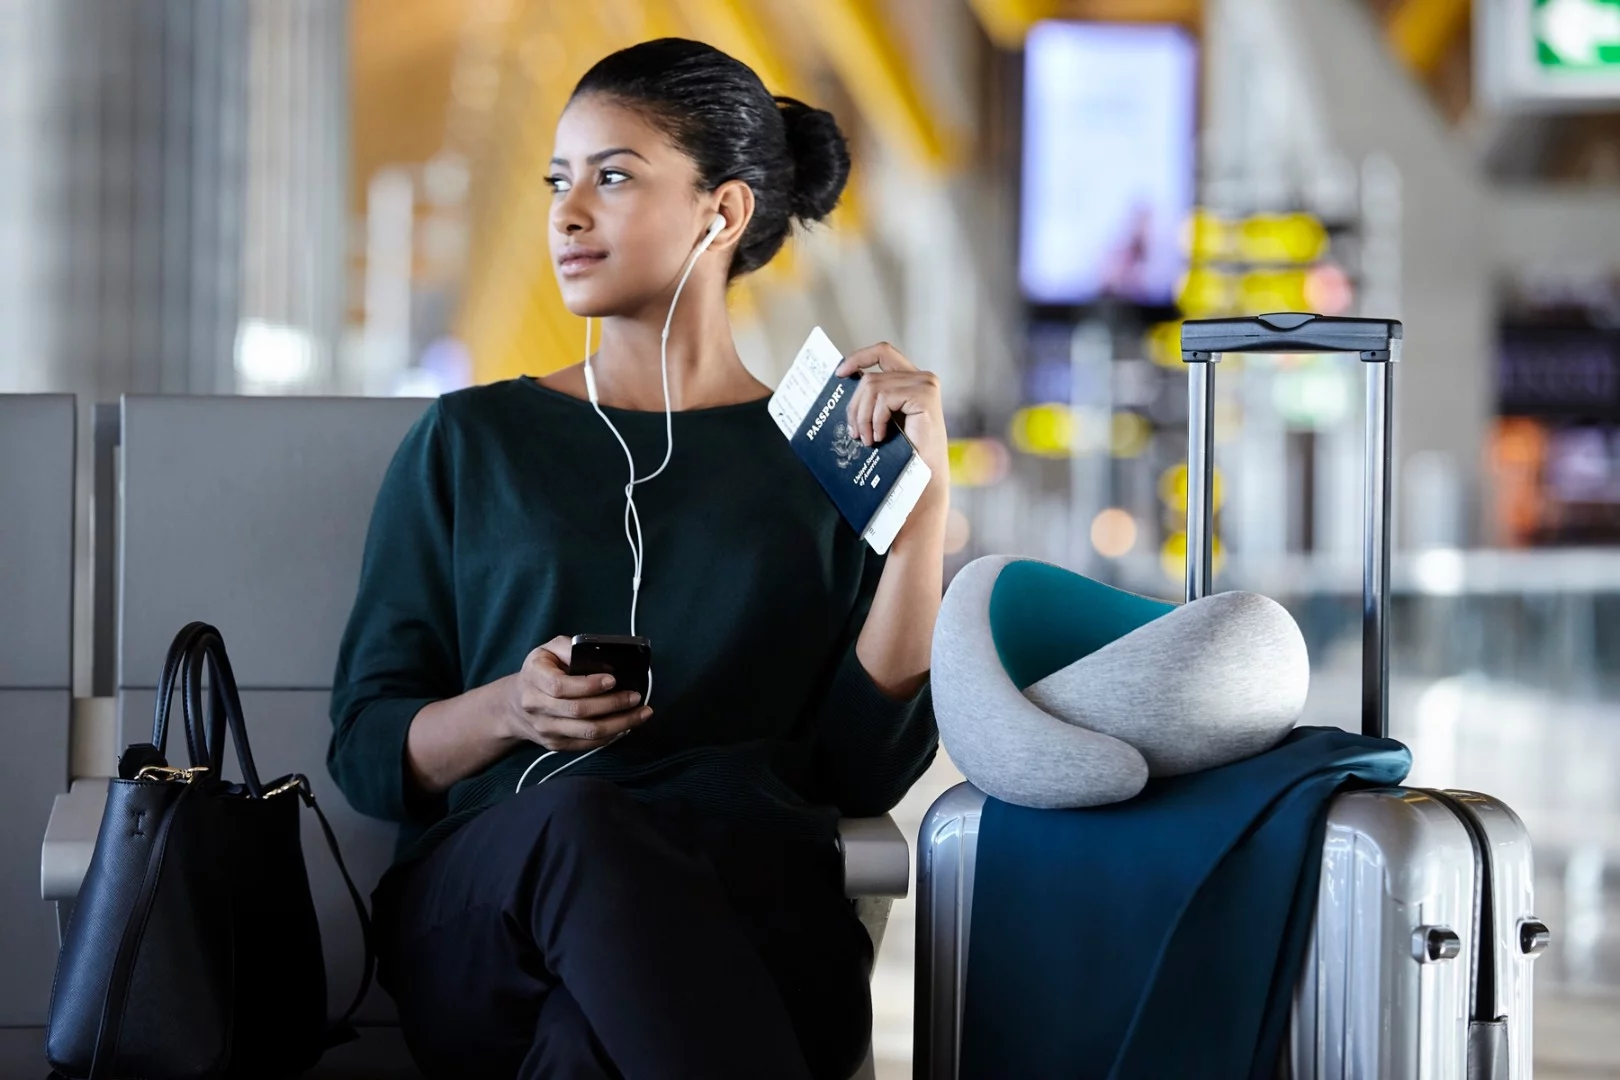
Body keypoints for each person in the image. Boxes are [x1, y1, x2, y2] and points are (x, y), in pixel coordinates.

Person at [328, 38, 946, 1080]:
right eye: (559, 181)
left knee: (588, 1043)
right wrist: (511, 712)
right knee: (582, 821)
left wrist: (921, 509)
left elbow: (863, 768)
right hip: (496, 906)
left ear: (725, 211)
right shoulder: (472, 441)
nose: (568, 214)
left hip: (742, 906)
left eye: (612, 177)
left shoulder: (819, 457)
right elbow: (368, 749)